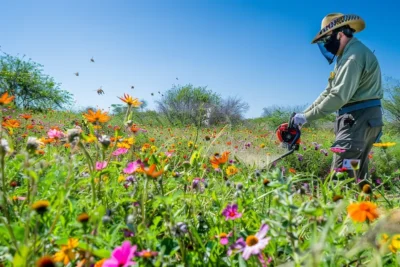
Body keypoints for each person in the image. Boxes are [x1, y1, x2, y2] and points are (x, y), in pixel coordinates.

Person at [292, 13, 384, 184]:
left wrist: (307, 117)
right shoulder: (346, 55)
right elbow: (328, 91)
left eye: (327, 38)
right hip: (364, 119)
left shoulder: (352, 58)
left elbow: (338, 96)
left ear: (339, 34)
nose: (326, 44)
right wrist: (304, 114)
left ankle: (341, 209)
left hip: (357, 119)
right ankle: (362, 208)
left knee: (341, 177)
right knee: (357, 174)